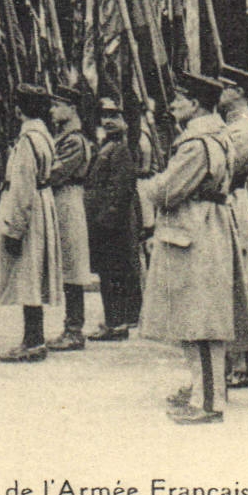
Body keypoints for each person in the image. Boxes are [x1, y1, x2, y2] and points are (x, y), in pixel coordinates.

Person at [141, 73, 236, 424]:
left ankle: (209, 402)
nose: (173, 104)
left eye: (180, 99)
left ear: (196, 105)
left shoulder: (197, 143)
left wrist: (149, 185)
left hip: (194, 229)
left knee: (202, 320)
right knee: (194, 316)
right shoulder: (217, 135)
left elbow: (167, 190)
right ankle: (201, 392)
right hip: (202, 226)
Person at [0, 85, 63, 363]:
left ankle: (33, 340)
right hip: (43, 202)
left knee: (28, 274)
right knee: (34, 273)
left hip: (29, 209)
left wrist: (15, 229)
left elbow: (22, 188)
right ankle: (33, 337)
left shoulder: (27, 141)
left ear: (19, 110)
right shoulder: (44, 136)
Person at [217, 65, 248, 388]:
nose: (220, 92)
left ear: (240, 93)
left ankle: (245, 364)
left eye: (227, 87)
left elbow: (224, 169)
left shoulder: (243, 130)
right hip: (233, 202)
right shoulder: (234, 127)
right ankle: (238, 362)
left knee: (240, 286)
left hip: (234, 204)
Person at [85, 97, 143, 341]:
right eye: (105, 116)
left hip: (114, 224)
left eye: (114, 116)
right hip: (106, 221)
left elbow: (121, 189)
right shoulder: (107, 146)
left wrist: (106, 221)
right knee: (110, 272)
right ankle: (116, 320)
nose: (108, 121)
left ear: (126, 121)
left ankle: (117, 324)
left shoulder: (122, 149)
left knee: (115, 271)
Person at [46, 87, 93, 351]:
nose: (53, 111)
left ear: (72, 109)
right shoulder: (63, 137)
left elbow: (55, 173)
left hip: (68, 199)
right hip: (61, 199)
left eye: (57, 105)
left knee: (73, 265)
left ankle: (74, 329)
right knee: (67, 265)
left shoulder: (74, 140)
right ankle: (71, 326)